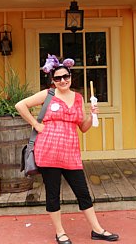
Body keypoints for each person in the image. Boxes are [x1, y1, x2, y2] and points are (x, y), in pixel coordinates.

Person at [15, 55, 119, 244]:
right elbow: (20, 105)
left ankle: (97, 229)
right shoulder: (48, 95)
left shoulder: (78, 98)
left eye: (66, 76)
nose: (63, 80)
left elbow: (83, 127)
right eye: (58, 78)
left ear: (71, 76)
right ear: (52, 80)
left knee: (83, 192)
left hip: (70, 153)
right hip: (48, 152)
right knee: (53, 193)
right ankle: (60, 232)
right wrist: (35, 125)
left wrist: (91, 115)